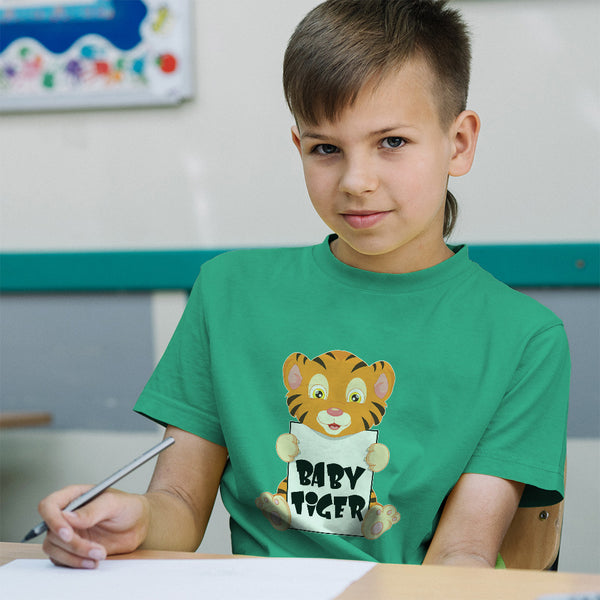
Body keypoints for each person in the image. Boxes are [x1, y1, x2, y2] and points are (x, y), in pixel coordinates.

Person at [38, 0, 569, 570]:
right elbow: (180, 505)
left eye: (391, 142)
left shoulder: (525, 338)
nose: (355, 181)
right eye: (326, 148)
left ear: (458, 143)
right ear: (300, 148)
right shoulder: (228, 293)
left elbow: (463, 552)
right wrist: (135, 518)